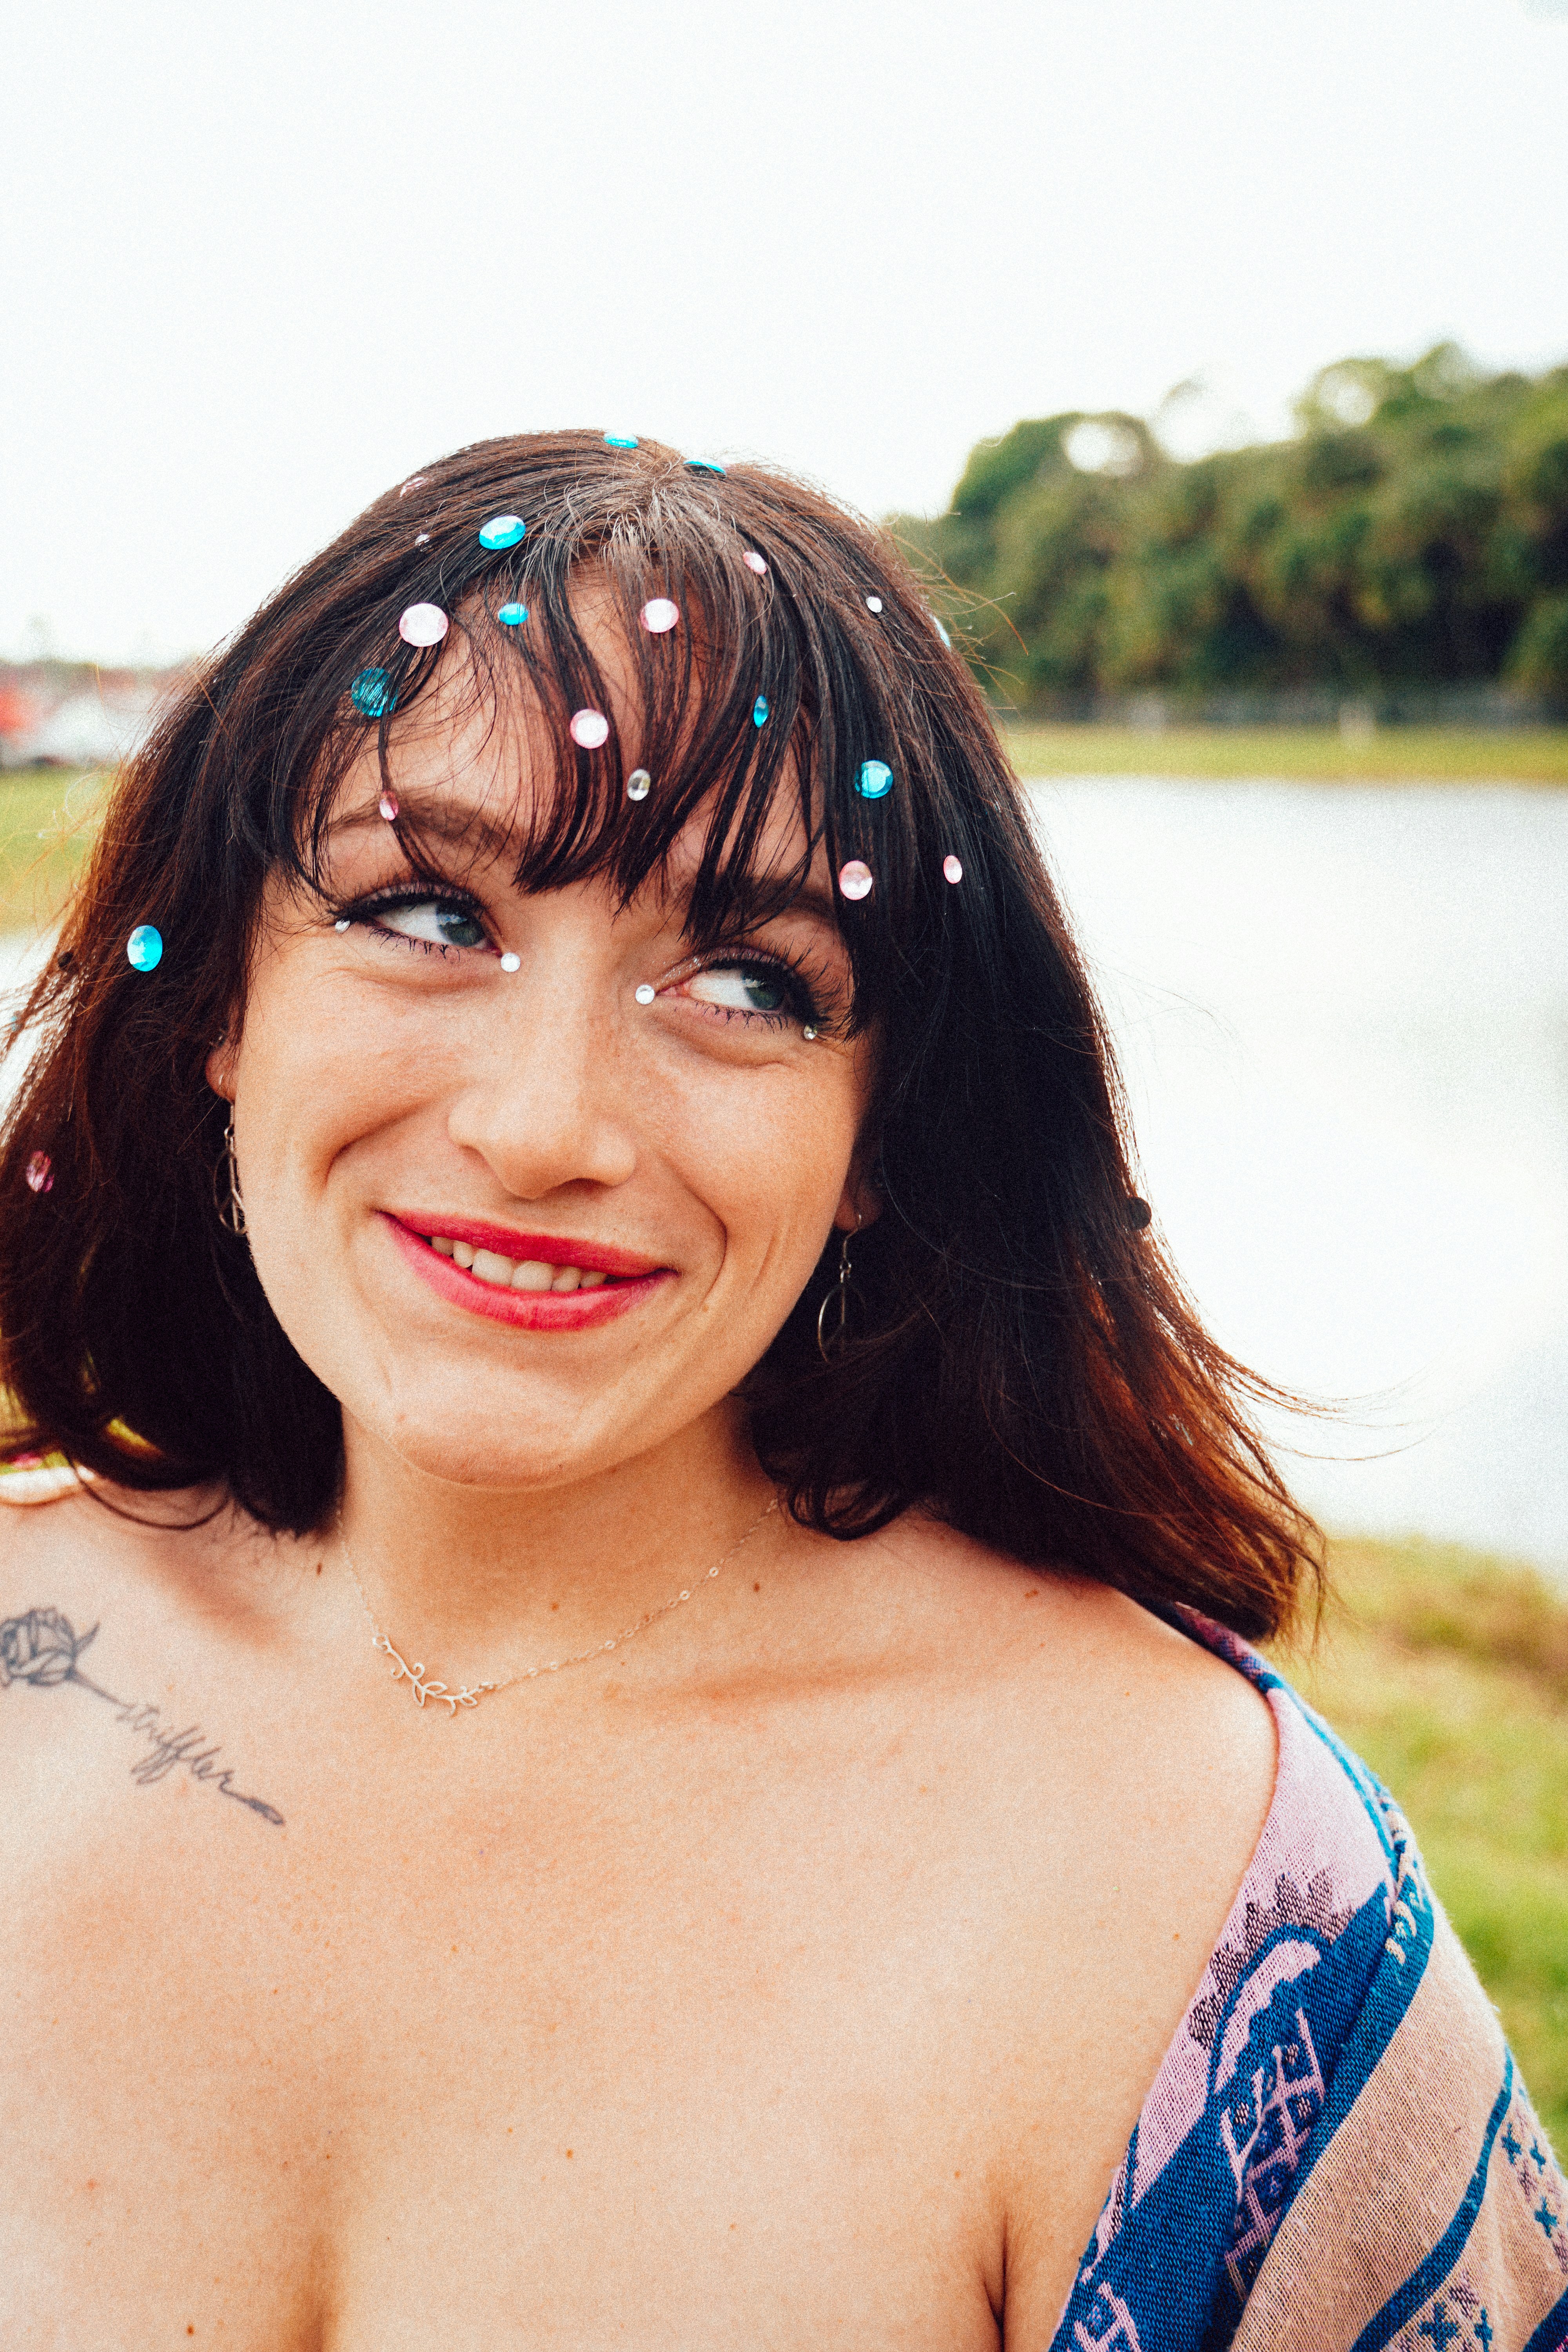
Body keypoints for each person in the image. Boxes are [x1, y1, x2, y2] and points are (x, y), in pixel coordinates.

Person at [0, 431, 1560, 2352]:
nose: (544, 1123)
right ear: (225, 997)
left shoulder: (1200, 1901)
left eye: (747, 980)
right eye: (424, 915)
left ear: (881, 1123)